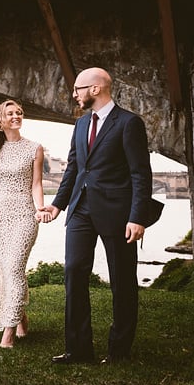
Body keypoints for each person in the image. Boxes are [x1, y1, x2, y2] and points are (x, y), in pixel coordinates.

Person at [39, 67, 156, 365]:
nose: (74, 94)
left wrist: (137, 217)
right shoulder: (80, 125)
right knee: (74, 272)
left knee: (122, 280)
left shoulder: (129, 123)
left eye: (78, 88)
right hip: (80, 210)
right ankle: (78, 349)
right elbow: (74, 168)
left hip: (118, 213)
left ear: (95, 89)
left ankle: (119, 352)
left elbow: (140, 173)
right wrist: (57, 205)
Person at [0, 99, 46, 348]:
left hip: (24, 215)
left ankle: (7, 334)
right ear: (1, 120)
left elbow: (36, 184)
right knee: (7, 272)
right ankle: (21, 319)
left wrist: (40, 209)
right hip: (0, 215)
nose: (16, 116)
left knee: (15, 268)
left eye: (19, 112)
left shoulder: (35, 148)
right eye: (11, 113)